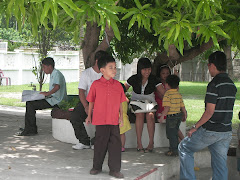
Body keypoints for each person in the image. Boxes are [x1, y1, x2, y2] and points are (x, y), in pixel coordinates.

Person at [179, 51, 237, 180]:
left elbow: (209, 112)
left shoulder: (214, 84)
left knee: (184, 147)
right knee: (220, 164)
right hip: (226, 131)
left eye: (208, 65)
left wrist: (195, 127)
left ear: (213, 65)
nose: (208, 68)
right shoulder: (231, 85)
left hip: (211, 130)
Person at [85, 55, 126, 179]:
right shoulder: (96, 85)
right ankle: (96, 167)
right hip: (100, 120)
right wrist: (89, 116)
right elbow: (91, 101)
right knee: (100, 144)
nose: (114, 70)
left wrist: (121, 117)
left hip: (114, 120)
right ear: (102, 70)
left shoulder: (118, 85)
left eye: (115, 67)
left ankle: (114, 169)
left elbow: (121, 102)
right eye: (111, 68)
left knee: (115, 145)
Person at [17, 57, 67, 136]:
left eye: (44, 67)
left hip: (56, 101)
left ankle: (30, 129)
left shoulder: (56, 73)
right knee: (30, 103)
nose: (43, 69)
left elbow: (57, 87)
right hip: (53, 99)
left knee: (30, 104)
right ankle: (30, 128)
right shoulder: (54, 74)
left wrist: (48, 94)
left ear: (50, 66)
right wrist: (46, 93)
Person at [70, 50, 109, 150]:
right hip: (87, 101)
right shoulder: (86, 73)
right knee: (75, 116)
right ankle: (84, 141)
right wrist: (86, 106)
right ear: (97, 61)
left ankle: (97, 141)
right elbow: (81, 91)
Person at [125, 57, 165, 153]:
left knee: (150, 115)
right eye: (144, 69)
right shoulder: (133, 78)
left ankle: (151, 143)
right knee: (140, 114)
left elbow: (163, 93)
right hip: (136, 103)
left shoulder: (154, 79)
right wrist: (125, 99)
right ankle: (139, 143)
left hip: (150, 103)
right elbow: (122, 89)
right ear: (140, 69)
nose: (147, 71)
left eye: (149, 69)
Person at [158, 75, 187, 156]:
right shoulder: (178, 94)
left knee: (171, 134)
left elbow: (167, 107)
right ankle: (177, 148)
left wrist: (162, 116)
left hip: (171, 117)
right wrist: (185, 114)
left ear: (166, 85)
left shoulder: (167, 94)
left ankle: (173, 150)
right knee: (175, 131)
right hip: (178, 115)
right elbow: (182, 106)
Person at [155, 64, 184, 141]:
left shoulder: (171, 85)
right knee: (173, 128)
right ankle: (182, 141)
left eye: (167, 73)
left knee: (174, 128)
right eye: (163, 73)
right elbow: (162, 96)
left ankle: (182, 141)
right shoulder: (159, 85)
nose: (165, 75)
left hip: (172, 109)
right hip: (162, 107)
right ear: (159, 74)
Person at [120, 83, 131, 152]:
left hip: (118, 117)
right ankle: (122, 147)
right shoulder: (124, 97)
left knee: (117, 134)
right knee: (122, 134)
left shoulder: (117, 98)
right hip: (124, 118)